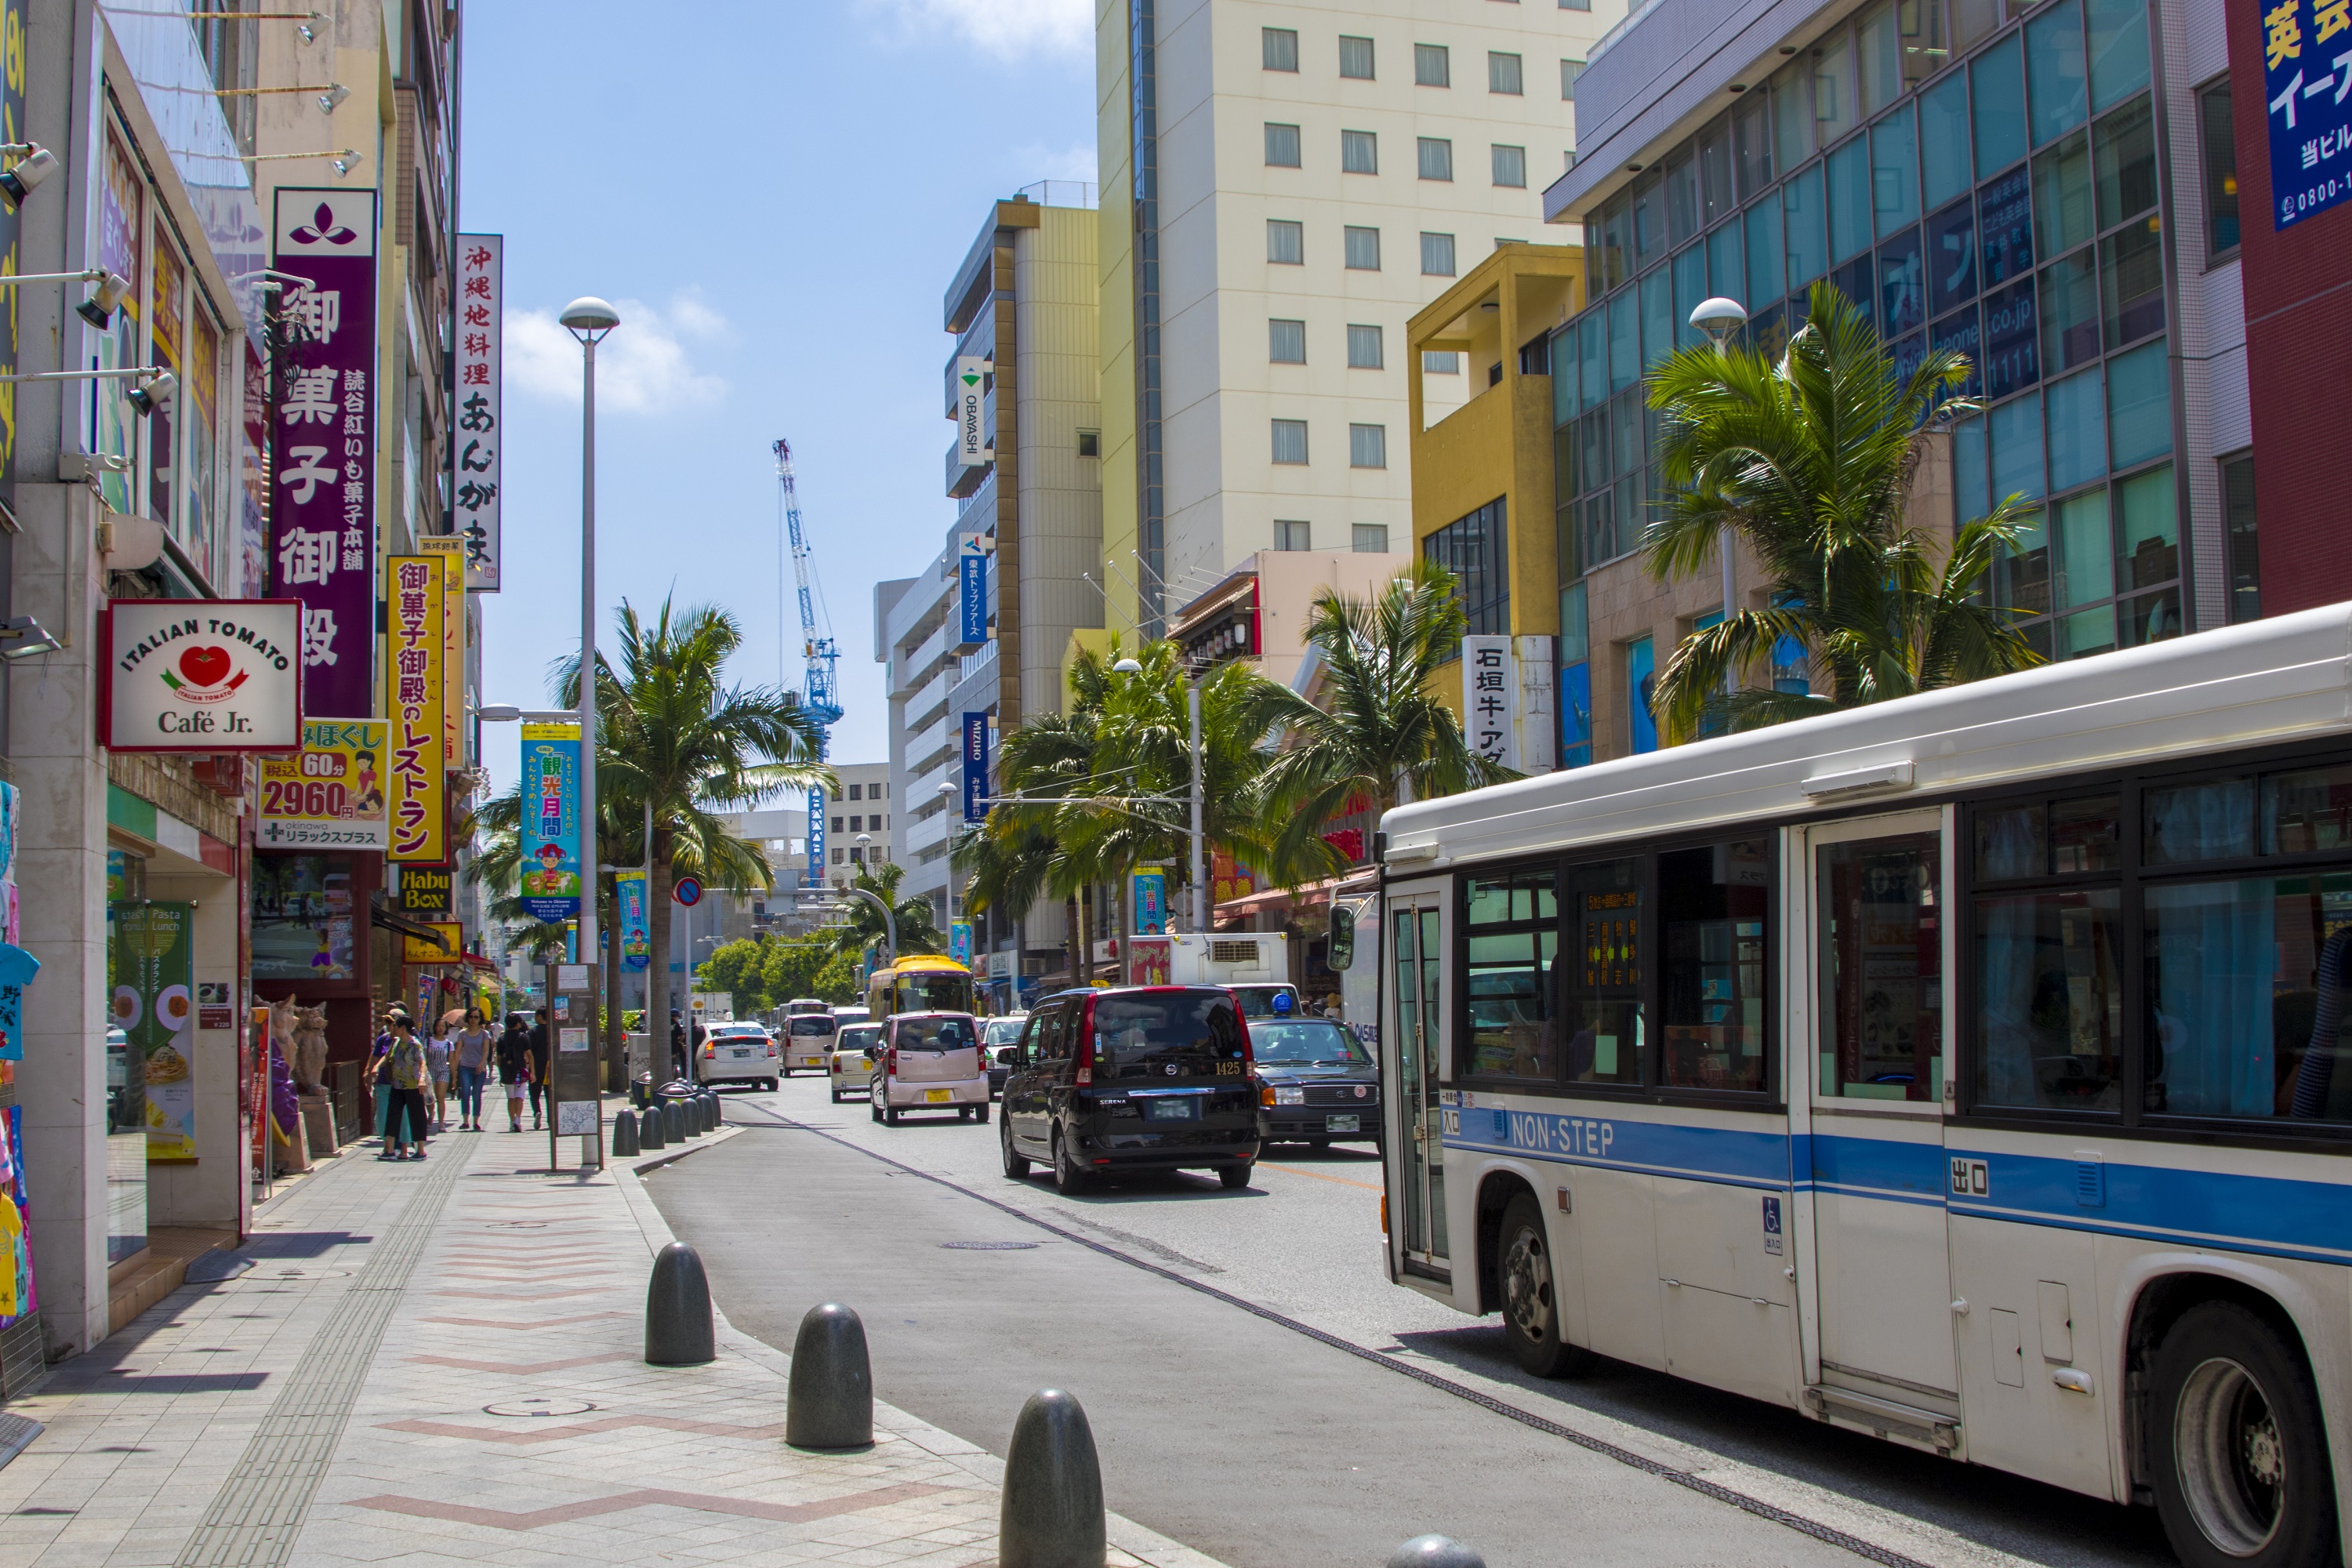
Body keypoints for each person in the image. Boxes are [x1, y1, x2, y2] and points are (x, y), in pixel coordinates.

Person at [383, 1012, 431, 1160]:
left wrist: (422, 1079)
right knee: (392, 1116)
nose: (393, 1029)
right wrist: (376, 1068)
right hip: (397, 1085)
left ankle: (420, 1150)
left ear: (403, 1027)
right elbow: (387, 1057)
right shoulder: (396, 1042)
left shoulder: (415, 1045)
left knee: (417, 1116)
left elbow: (423, 1063)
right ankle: (389, 1150)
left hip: (413, 1085)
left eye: (395, 1026)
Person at [450, 1007, 495, 1131]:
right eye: (471, 1017)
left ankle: (476, 1121)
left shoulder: (484, 1034)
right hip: (465, 1067)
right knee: (465, 1092)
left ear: (480, 1019)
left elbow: (486, 1050)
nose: (473, 1019)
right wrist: (455, 1067)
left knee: (476, 1094)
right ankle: (465, 1121)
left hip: (479, 1069)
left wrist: (482, 1063)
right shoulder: (463, 1034)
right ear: (467, 1018)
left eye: (476, 1017)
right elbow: (458, 1051)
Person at [495, 1012, 532, 1132]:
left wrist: (501, 1073)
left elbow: (499, 1058)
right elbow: (530, 1056)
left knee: (510, 1097)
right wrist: (532, 1072)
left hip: (507, 1071)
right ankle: (518, 1120)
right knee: (519, 1096)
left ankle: (512, 1121)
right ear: (518, 1024)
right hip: (520, 1070)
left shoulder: (501, 1038)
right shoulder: (523, 1037)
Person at [424, 1016, 454, 1132]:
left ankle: (441, 1123)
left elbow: (451, 1061)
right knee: (430, 1098)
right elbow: (424, 1058)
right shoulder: (429, 1041)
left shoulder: (449, 1044)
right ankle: (431, 1114)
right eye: (438, 1026)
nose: (440, 1028)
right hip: (430, 1070)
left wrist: (454, 1077)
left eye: (443, 1026)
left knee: (440, 1097)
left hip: (443, 1070)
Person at [526, 1009, 553, 1131]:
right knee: (550, 1094)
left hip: (536, 1067)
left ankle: (537, 1111)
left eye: (536, 1016)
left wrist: (529, 1066)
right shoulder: (552, 1030)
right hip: (550, 1067)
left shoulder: (533, 1032)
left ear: (540, 1017)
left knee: (534, 1093)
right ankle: (551, 1119)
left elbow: (528, 1050)